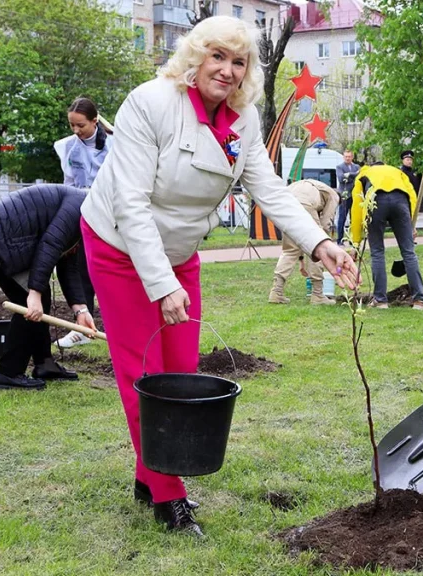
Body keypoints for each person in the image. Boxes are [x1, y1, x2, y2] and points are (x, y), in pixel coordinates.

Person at [79, 16, 357, 537]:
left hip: (179, 249)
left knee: (182, 367)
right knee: (144, 375)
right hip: (120, 247)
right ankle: (168, 495)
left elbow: (270, 191)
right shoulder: (149, 103)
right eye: (217, 57)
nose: (227, 71)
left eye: (239, 62)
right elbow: (131, 203)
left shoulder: (244, 119)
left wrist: (321, 244)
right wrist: (161, 286)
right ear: (194, 58)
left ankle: (148, 477)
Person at [0, 184, 99, 391]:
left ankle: (45, 364)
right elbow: (50, 244)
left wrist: (81, 310)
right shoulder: (80, 205)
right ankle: (8, 373)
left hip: (0, 236)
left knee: (38, 297)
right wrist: (33, 294)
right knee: (28, 299)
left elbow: (67, 265)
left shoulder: (85, 214)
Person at [53, 97, 114, 349]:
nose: (76, 131)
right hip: (79, 213)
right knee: (78, 269)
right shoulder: (67, 147)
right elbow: (68, 182)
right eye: (72, 125)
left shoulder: (115, 145)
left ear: (94, 121)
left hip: (110, 216)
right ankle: (81, 328)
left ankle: (119, 327)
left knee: (110, 272)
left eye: (81, 126)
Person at [349, 162, 423, 310]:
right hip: (401, 201)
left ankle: (380, 300)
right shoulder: (396, 172)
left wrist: (355, 242)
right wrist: (411, 224)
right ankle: (419, 300)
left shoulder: (363, 174)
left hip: (375, 201)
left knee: (377, 252)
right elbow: (412, 196)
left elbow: (356, 208)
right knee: (409, 252)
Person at [269, 178, 340, 305]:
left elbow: (299, 239)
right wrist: (326, 245)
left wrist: (301, 260)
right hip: (304, 203)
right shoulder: (333, 195)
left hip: (285, 202)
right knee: (318, 245)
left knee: (289, 250)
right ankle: (317, 294)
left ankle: (276, 292)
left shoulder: (312, 185)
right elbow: (324, 226)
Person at [335, 150, 360, 245]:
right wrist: (353, 174)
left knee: (354, 218)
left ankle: (352, 239)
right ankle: (340, 239)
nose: (347, 158)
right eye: (346, 156)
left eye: (349, 156)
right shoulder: (339, 167)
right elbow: (341, 178)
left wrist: (348, 175)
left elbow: (359, 177)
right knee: (342, 218)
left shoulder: (356, 167)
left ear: (352, 157)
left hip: (355, 195)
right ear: (343, 157)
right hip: (345, 196)